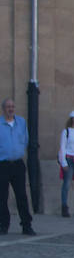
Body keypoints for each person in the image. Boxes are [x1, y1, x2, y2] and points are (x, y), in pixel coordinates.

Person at [0, 98, 34, 235]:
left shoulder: (21, 122)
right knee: (2, 197)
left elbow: (25, 140)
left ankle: (26, 225)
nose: (11, 109)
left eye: (12, 106)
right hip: (3, 164)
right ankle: (3, 224)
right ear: (3, 109)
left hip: (18, 164)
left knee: (21, 195)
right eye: (8, 107)